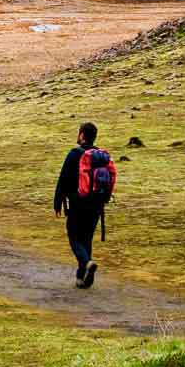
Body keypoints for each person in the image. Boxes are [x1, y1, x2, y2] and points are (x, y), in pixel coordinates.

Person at [53, 121, 110, 288]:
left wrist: (58, 202)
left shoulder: (74, 153)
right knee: (86, 239)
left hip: (78, 204)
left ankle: (86, 263)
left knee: (74, 236)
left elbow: (63, 179)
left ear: (82, 135)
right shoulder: (100, 155)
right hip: (97, 205)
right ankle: (83, 278)